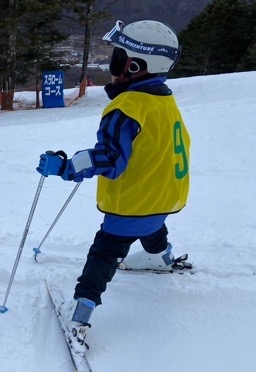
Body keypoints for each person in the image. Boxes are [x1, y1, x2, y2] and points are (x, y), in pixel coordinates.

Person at [36, 20, 190, 352]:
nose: (113, 65)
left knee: (105, 254)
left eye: (118, 57)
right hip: (166, 198)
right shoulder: (163, 99)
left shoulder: (126, 107)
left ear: (134, 65)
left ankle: (79, 315)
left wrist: (65, 167)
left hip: (133, 204)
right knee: (152, 227)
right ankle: (162, 258)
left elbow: (109, 158)